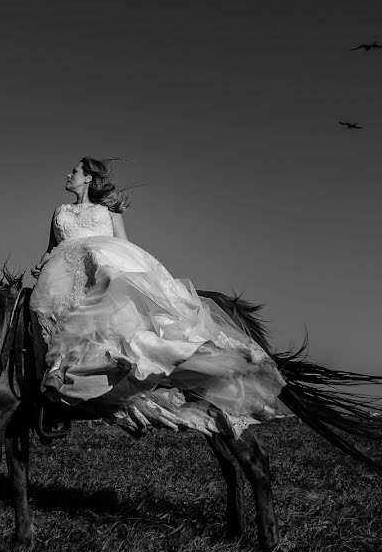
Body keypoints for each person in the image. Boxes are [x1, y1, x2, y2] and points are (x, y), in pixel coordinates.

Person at [29, 157, 285, 438]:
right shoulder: (60, 211)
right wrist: (42, 264)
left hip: (101, 266)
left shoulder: (109, 212)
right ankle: (56, 376)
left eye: (75, 171)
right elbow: (51, 247)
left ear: (88, 177)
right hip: (63, 270)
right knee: (44, 309)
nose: (68, 174)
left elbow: (124, 246)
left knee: (109, 295)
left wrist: (137, 279)